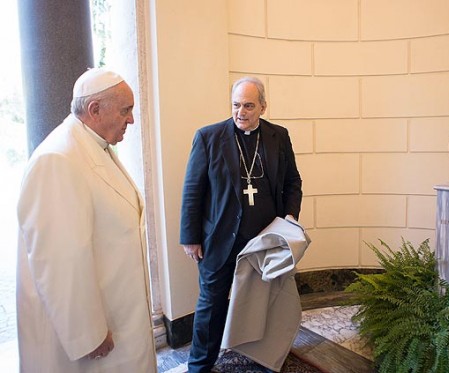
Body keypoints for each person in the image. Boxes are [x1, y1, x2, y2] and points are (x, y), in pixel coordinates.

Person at [16, 68, 157, 372]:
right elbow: (58, 261)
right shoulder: (57, 159)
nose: (131, 119)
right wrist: (88, 334)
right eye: (125, 110)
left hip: (118, 312)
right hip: (93, 337)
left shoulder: (92, 144)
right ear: (95, 110)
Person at [180, 76, 303, 372]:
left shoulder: (278, 136)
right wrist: (190, 236)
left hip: (264, 239)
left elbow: (292, 182)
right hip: (219, 237)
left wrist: (289, 217)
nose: (241, 112)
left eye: (249, 105)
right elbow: (192, 190)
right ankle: (199, 365)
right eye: (236, 105)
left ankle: (264, 356)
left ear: (263, 106)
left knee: (266, 299)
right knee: (211, 303)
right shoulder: (208, 137)